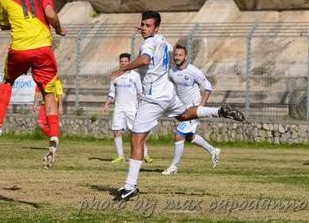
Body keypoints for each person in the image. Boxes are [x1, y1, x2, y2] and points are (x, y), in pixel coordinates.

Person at [110, 11, 245, 201]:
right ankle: (218, 111)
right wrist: (147, 35)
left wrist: (121, 68)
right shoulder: (164, 41)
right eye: (142, 24)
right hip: (168, 94)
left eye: (148, 25)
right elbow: (158, 54)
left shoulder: (148, 42)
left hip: (153, 98)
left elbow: (145, 60)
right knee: (183, 115)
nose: (143, 28)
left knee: (136, 140)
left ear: (156, 27)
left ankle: (130, 186)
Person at [0, 0, 66, 169]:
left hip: (20, 49)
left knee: (7, 81)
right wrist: (59, 29)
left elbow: (3, 24)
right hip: (43, 49)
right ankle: (54, 136)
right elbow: (50, 14)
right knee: (47, 91)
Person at [162, 44, 221, 175]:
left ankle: (174, 167)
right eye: (175, 55)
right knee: (189, 137)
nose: (177, 57)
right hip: (183, 110)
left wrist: (201, 106)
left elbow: (208, 86)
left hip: (194, 108)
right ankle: (213, 150)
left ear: (186, 57)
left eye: (180, 55)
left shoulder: (193, 71)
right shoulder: (171, 71)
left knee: (178, 135)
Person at [102, 53, 153, 164]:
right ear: (119, 62)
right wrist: (106, 104)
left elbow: (140, 92)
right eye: (122, 61)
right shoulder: (115, 77)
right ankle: (120, 156)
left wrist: (142, 106)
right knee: (116, 131)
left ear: (129, 62)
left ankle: (145, 155)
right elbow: (112, 93)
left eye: (126, 61)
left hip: (132, 109)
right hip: (119, 108)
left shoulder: (135, 76)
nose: (123, 63)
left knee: (137, 133)